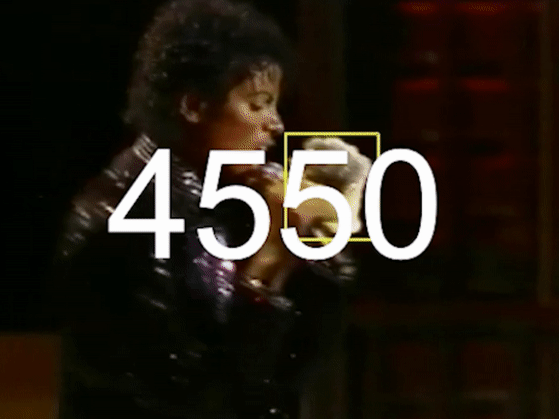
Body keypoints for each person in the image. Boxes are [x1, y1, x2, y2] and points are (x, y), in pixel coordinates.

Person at [53, 1, 367, 417]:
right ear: (194, 106)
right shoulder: (123, 220)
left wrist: (322, 238)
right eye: (258, 104)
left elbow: (290, 373)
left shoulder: (228, 195)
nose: (275, 124)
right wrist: (268, 260)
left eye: (275, 105)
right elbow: (196, 398)